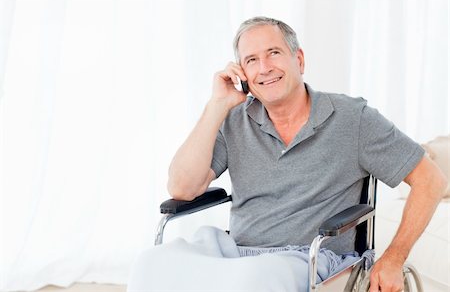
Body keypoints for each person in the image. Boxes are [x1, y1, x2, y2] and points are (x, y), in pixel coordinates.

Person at [132, 17, 447, 292]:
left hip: (310, 258)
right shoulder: (235, 119)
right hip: (236, 252)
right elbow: (182, 188)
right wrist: (217, 106)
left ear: (299, 60)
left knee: (253, 280)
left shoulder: (354, 118)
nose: (264, 67)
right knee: (151, 264)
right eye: (251, 60)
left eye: (273, 53)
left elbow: (430, 180)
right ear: (241, 73)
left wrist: (394, 257)